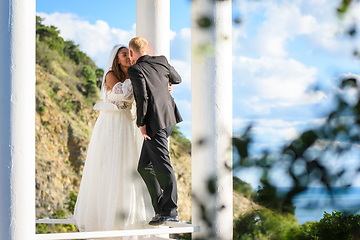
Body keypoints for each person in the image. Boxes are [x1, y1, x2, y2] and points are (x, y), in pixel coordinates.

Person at [73, 44, 152, 235]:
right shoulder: (110, 75)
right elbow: (124, 95)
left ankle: (123, 218)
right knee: (110, 165)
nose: (128, 57)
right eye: (124, 55)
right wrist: (137, 72)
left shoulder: (133, 75)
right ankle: (104, 220)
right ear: (117, 59)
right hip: (111, 125)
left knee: (127, 167)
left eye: (130, 54)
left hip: (126, 125)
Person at [127, 37, 183, 226]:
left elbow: (142, 97)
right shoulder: (162, 60)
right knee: (144, 166)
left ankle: (170, 211)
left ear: (131, 52)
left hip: (154, 122)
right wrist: (165, 85)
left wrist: (141, 123)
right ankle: (161, 208)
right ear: (146, 49)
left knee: (163, 164)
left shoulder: (135, 69)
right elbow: (177, 79)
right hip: (169, 119)